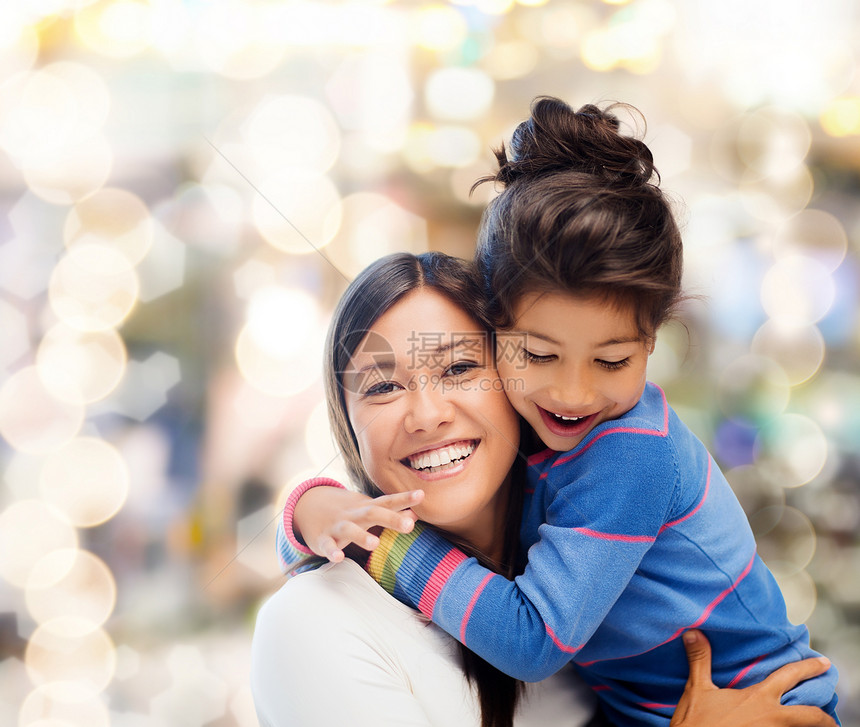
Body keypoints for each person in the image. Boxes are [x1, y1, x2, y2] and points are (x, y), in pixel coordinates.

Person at [279, 98, 840, 725]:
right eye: (540, 355)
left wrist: (381, 545)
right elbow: (319, 542)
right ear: (497, 331)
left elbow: (530, 642)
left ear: (652, 342)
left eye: (611, 362)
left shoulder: (629, 452)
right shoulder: (531, 444)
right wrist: (310, 508)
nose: (572, 396)